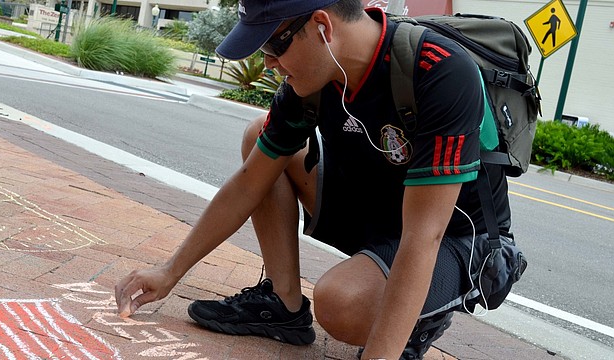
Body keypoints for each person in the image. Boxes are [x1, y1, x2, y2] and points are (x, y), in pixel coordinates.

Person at [115, 0, 518, 359]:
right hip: (384, 210)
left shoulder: (440, 70)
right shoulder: (316, 80)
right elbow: (248, 183)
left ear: (323, 27)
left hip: (456, 235)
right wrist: (170, 271)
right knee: (261, 136)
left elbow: (423, 236)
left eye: (273, 46)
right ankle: (283, 303)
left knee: (341, 304)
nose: (268, 62)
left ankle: (416, 321)